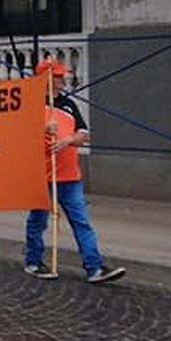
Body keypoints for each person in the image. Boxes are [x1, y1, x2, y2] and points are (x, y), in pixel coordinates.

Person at [24, 58, 126, 284]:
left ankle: (94, 267)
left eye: (63, 75)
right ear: (45, 79)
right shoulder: (29, 105)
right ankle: (33, 261)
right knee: (38, 222)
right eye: (58, 76)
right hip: (43, 177)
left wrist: (68, 140)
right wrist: (42, 129)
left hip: (70, 176)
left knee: (81, 222)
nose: (63, 79)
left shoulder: (69, 104)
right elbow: (18, 137)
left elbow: (84, 134)